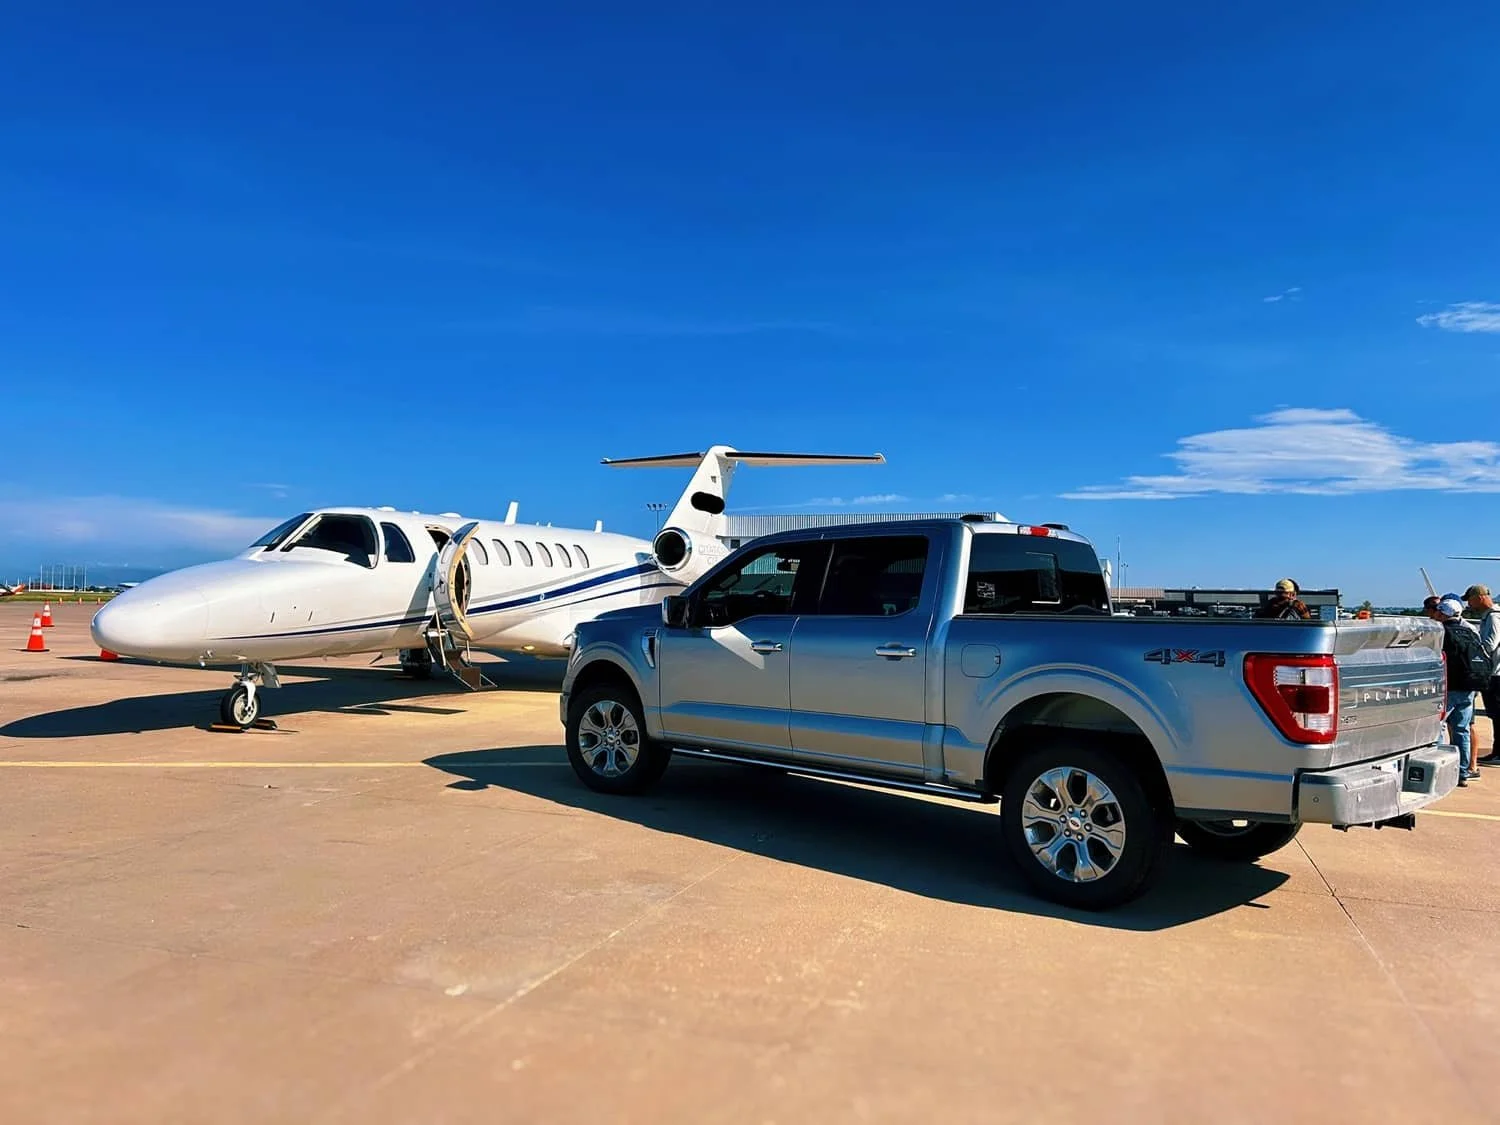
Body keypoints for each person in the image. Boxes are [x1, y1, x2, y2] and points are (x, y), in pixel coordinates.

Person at [1432, 596, 1485, 784]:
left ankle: (1437, 772)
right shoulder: (1470, 631)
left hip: (1448, 688)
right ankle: (1462, 772)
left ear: (1443, 613)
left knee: (1437, 729)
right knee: (1462, 730)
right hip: (1468, 688)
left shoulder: (1442, 633)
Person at [1465, 584, 1500, 765]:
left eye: (1470, 600)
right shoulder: (1489, 617)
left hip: (1496, 674)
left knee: (1498, 714)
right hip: (1494, 673)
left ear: (1479, 597)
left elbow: (1490, 644)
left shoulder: (1493, 617)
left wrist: (1473, 651)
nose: (1469, 605)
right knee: (1495, 715)